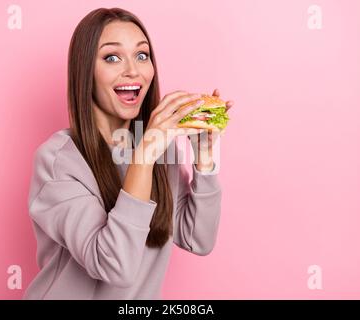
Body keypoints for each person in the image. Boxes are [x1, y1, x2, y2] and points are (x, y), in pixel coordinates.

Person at [24, 7, 234, 300]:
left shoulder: (158, 147)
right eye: (112, 57)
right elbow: (115, 266)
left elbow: (197, 238)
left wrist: (204, 159)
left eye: (142, 55)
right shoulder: (58, 161)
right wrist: (145, 155)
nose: (133, 70)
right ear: (86, 70)